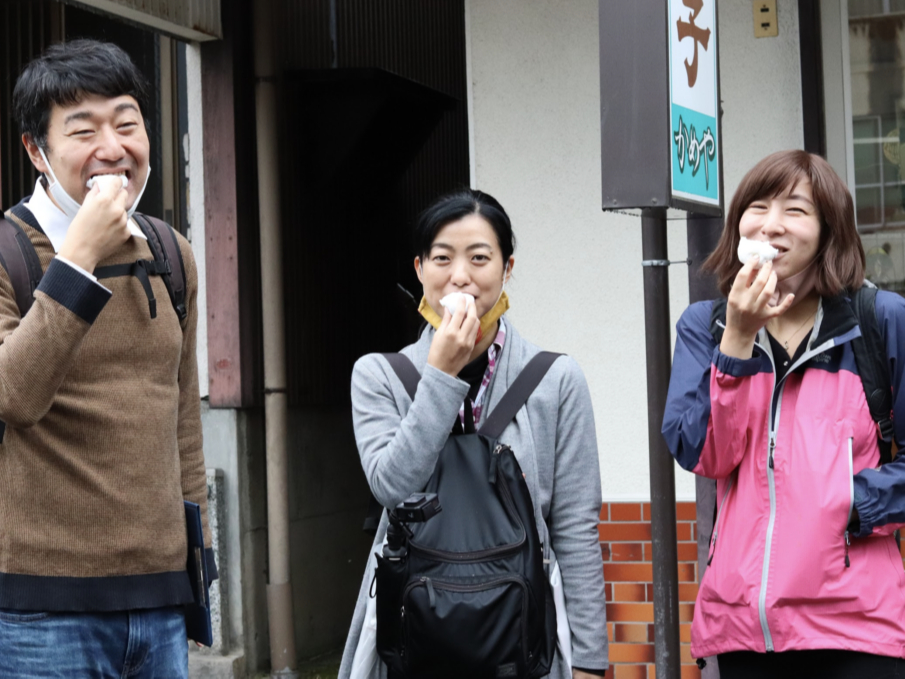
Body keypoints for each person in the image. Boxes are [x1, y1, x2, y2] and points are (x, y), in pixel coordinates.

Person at [0, 39, 214, 678]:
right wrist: (78, 262)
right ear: (37, 151)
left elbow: (183, 421)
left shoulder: (170, 252)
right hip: (41, 609)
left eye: (127, 123)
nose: (113, 148)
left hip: (160, 603)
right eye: (83, 130)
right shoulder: (10, 252)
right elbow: (14, 395)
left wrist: (198, 572)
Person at [338, 189, 608, 679]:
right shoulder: (378, 375)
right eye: (442, 258)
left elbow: (574, 529)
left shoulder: (556, 380)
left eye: (480, 257)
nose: (460, 275)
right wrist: (441, 374)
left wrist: (589, 661)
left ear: (507, 269)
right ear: (419, 270)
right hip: (413, 645)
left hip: (527, 647)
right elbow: (391, 487)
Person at [663, 150, 905, 678]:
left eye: (795, 210)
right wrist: (739, 337)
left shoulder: (880, 320)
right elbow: (703, 454)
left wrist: (849, 504)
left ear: (827, 230)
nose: (771, 224)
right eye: (757, 206)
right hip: (744, 631)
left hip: (857, 627)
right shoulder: (705, 326)